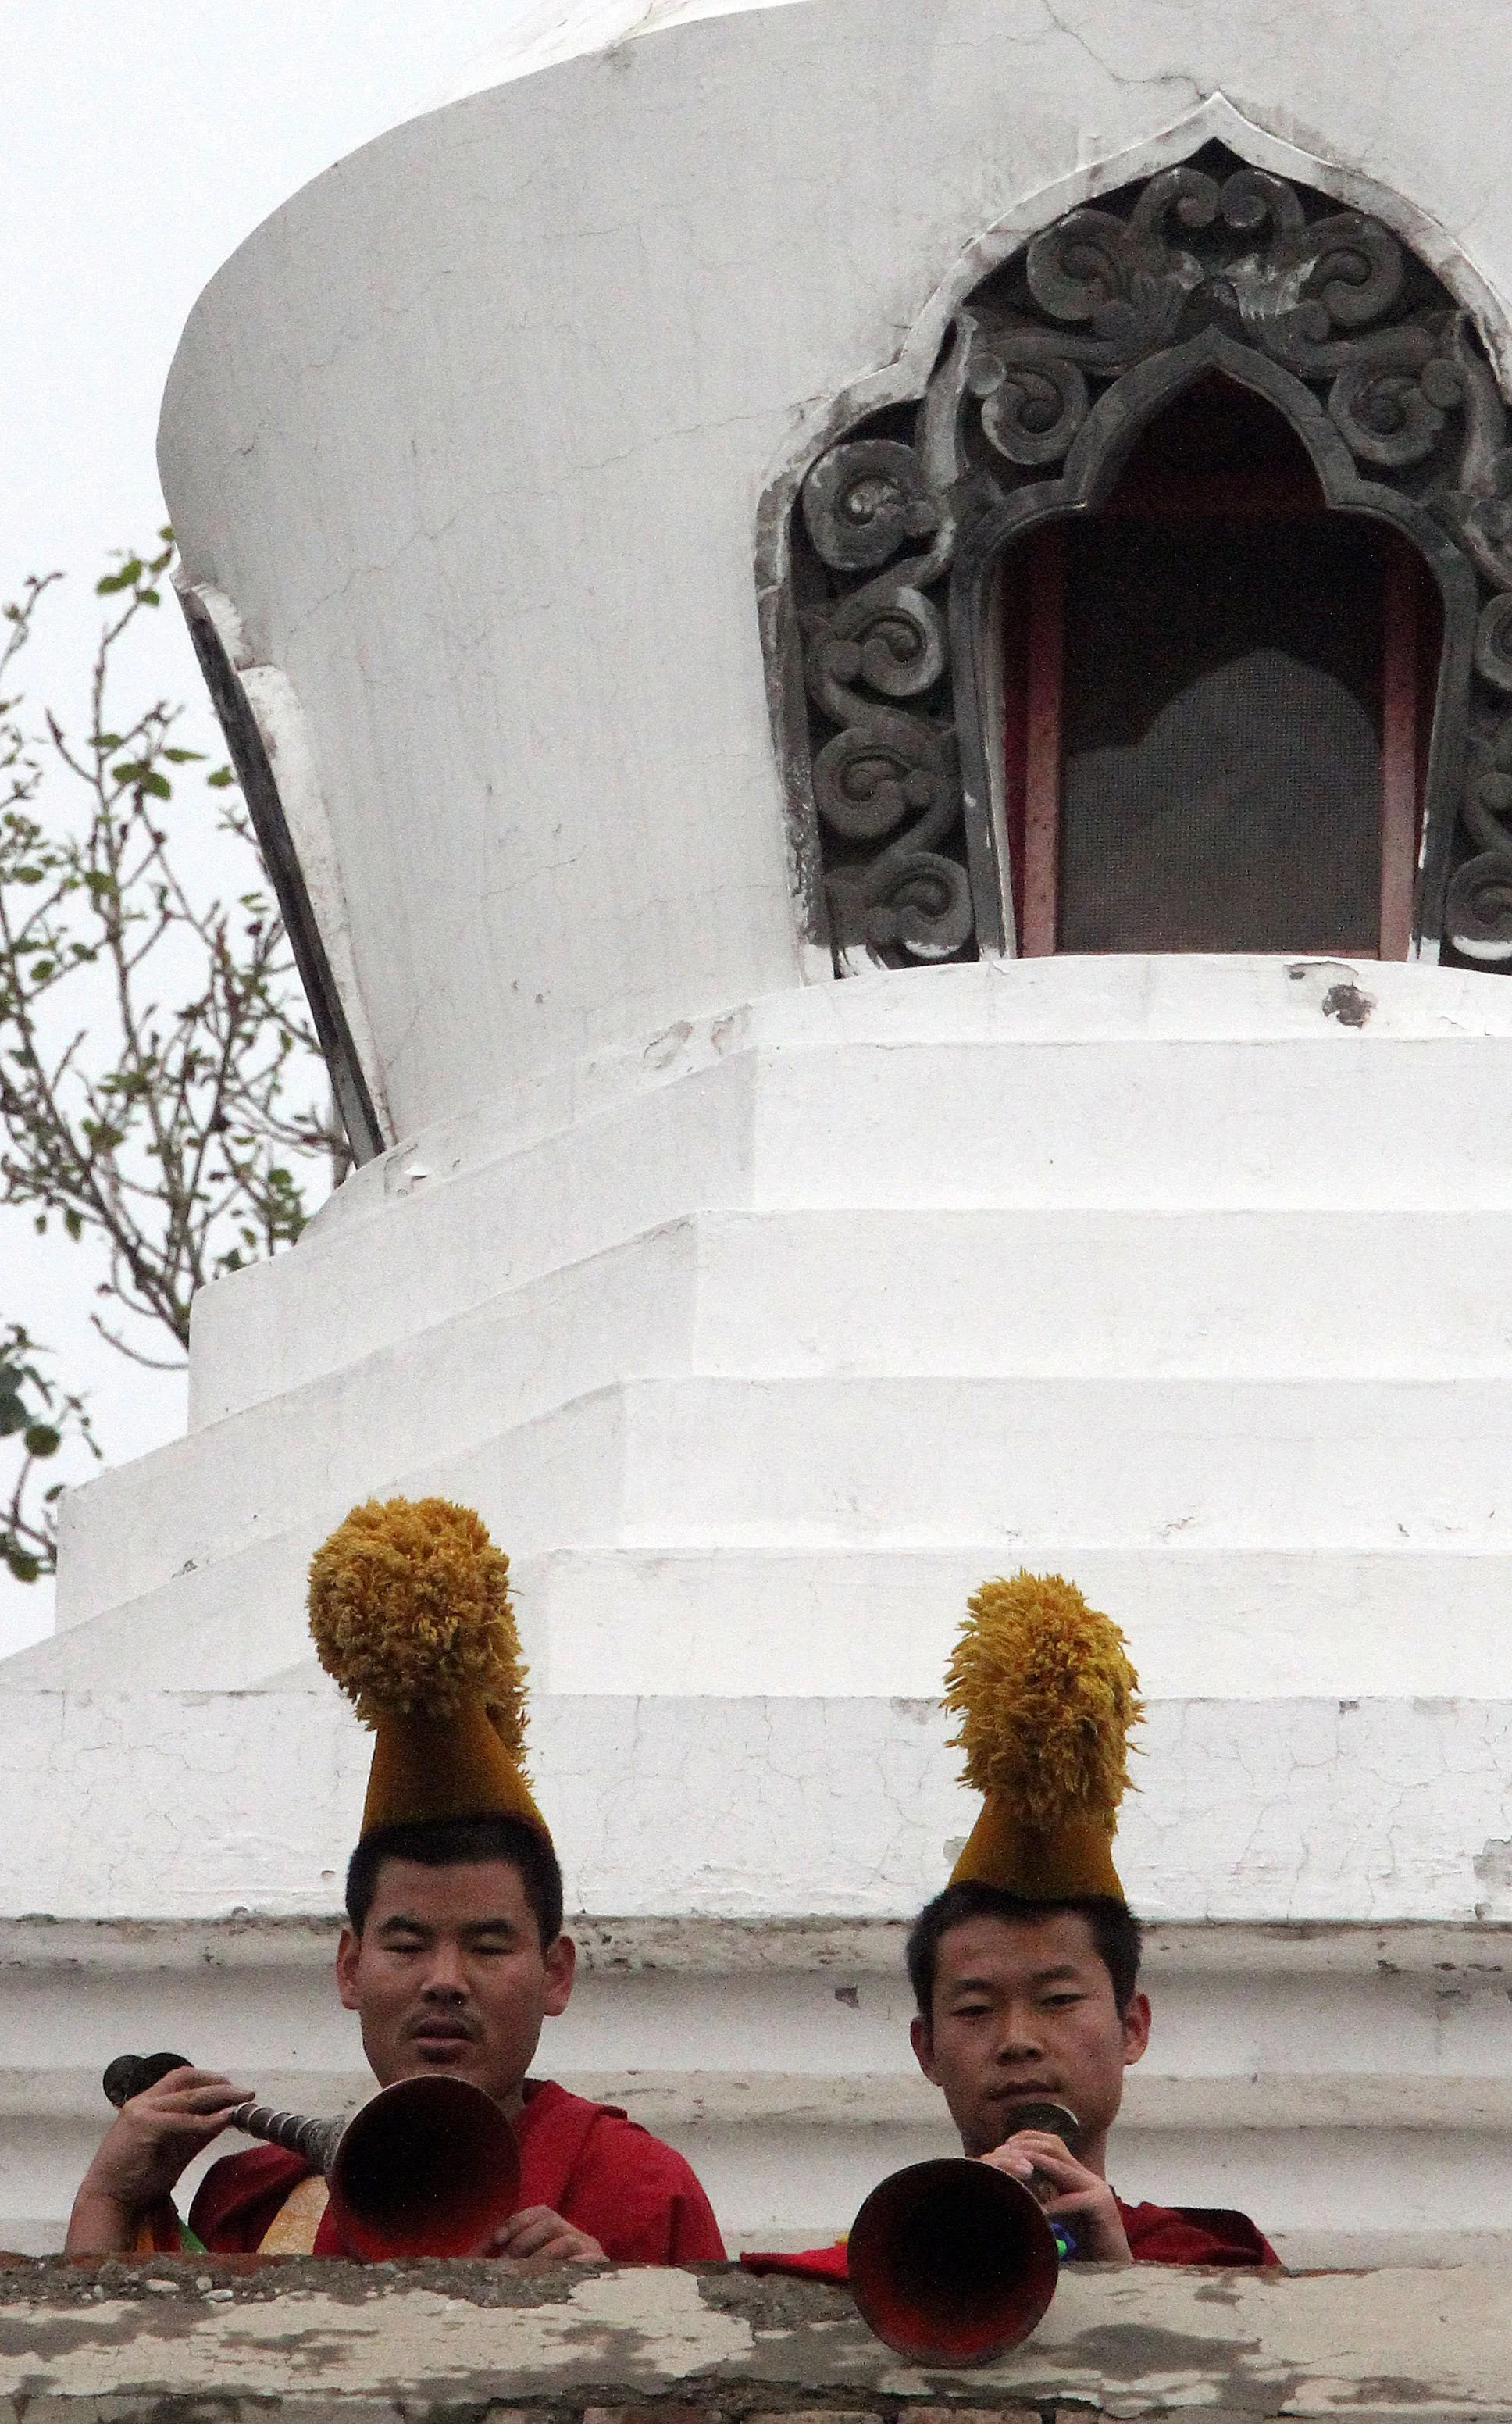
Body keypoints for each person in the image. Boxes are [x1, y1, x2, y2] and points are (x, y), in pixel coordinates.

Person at [66, 1496, 725, 2265]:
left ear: (555, 1971)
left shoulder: (637, 2190)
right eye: (407, 1944)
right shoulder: (263, 2201)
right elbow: (129, 2376)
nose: (444, 1981)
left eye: (486, 1945)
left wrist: (606, 2317)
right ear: (350, 1966)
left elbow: (716, 2385)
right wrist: (107, 2199)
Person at [745, 1572, 1272, 2283]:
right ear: (926, 2047)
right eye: (975, 2007)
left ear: (1134, 2027)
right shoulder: (869, 2272)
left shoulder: (1221, 2273)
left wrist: (1127, 2285)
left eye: (1058, 1999)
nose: (1017, 2040)